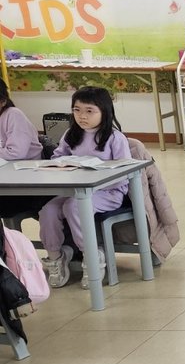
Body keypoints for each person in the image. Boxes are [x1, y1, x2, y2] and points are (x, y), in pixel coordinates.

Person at [39, 87, 130, 289]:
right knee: (48, 211)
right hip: (74, 190)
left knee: (74, 206)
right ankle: (55, 257)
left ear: (104, 111)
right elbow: (57, 157)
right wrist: (60, 164)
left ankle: (91, 255)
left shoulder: (115, 138)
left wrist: (96, 176)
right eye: (77, 110)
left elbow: (124, 172)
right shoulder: (70, 134)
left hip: (108, 192)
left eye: (89, 111)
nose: (82, 116)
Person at [0, 78, 50, 218]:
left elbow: (16, 153)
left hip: (26, 186)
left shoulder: (13, 115)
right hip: (6, 181)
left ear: (3, 101)